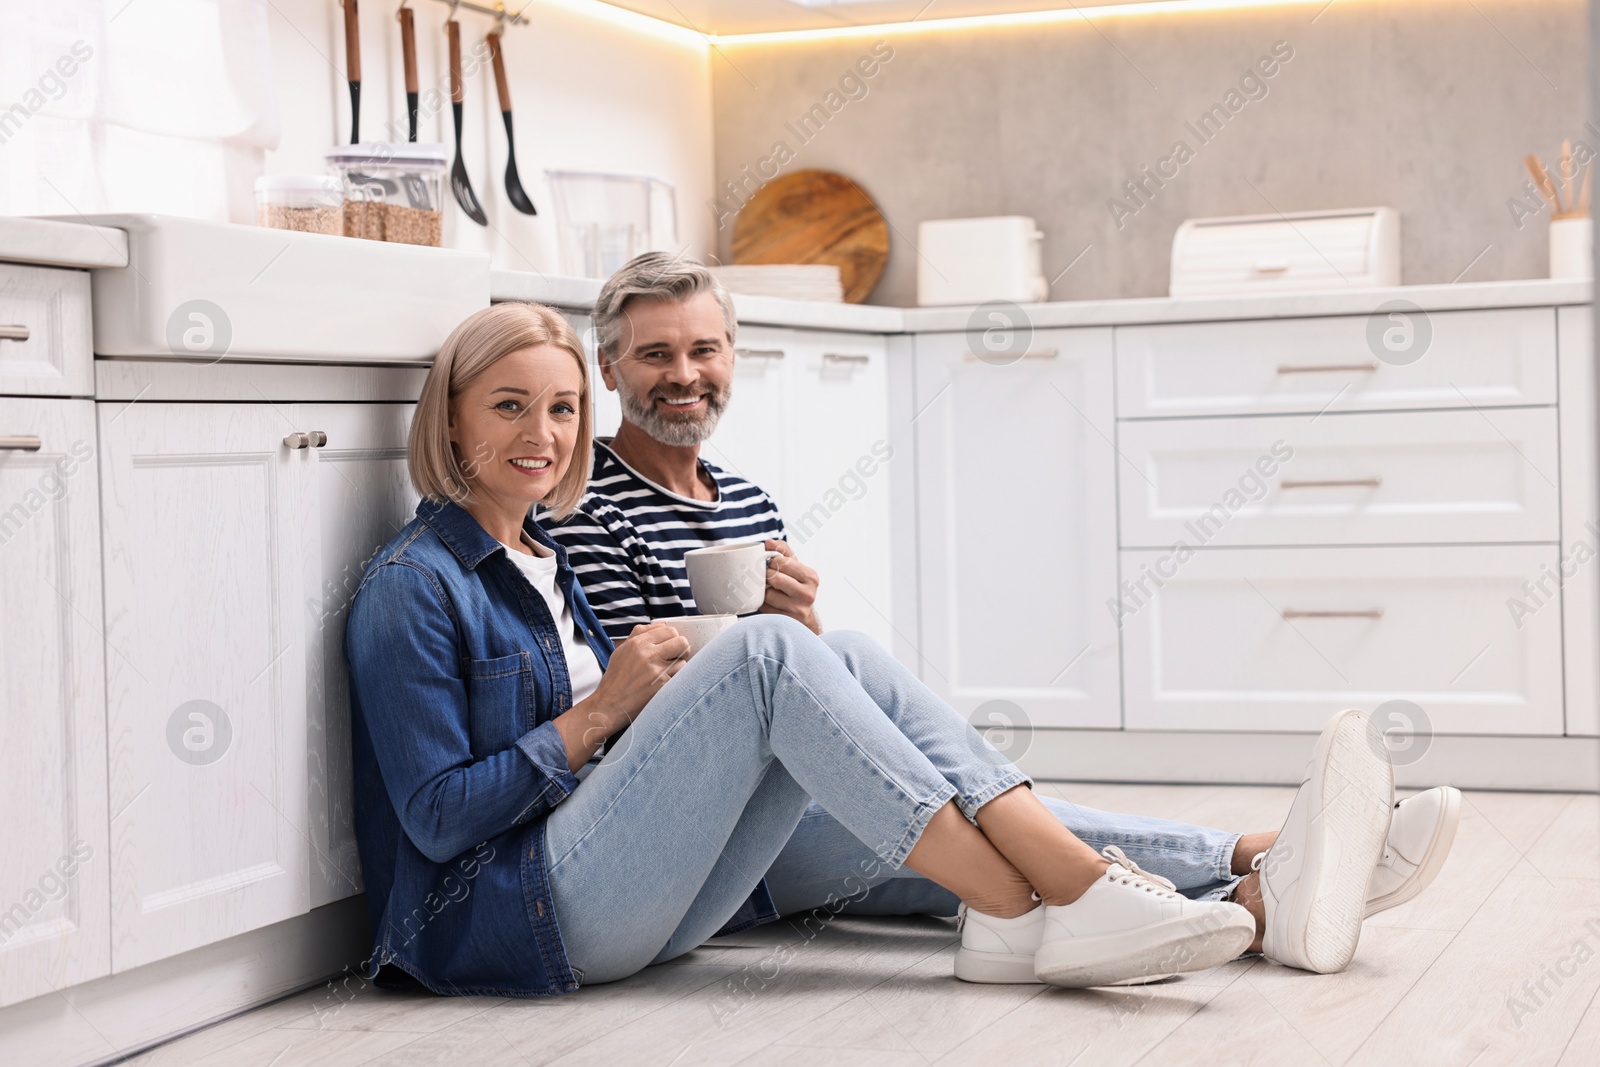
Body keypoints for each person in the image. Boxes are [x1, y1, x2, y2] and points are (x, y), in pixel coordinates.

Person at [541, 252, 1464, 977]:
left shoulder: (744, 498)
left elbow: (802, 687)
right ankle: (1271, 854)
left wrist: (802, 625)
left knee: (904, 735)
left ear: (733, 357)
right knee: (961, 808)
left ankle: (1265, 905)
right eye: (655, 353)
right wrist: (782, 650)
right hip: (705, 840)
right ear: (611, 368)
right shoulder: (588, 504)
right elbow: (654, 710)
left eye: (703, 349)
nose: (684, 373)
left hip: (787, 800)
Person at [345, 300, 1281, 999]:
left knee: (849, 655)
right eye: (509, 406)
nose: (541, 435)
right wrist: (598, 715)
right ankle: (1048, 899)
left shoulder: (544, 557)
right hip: (525, 920)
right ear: (453, 418)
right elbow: (434, 819)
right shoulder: (413, 586)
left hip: (623, 885)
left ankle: (1172, 884)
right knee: (769, 656)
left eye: (559, 410)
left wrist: (641, 712)